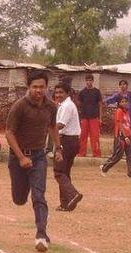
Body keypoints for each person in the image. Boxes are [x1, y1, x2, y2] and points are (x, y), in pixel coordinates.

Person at [5, 70, 58, 253]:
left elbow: (52, 127)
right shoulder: (19, 106)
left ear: (46, 87)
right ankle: (22, 189)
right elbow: (9, 133)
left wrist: (58, 148)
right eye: (34, 87)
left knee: (39, 195)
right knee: (19, 199)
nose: (38, 90)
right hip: (17, 157)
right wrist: (21, 157)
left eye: (41, 87)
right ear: (28, 87)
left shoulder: (51, 106)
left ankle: (41, 234)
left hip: (39, 157)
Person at [52, 82, 83, 212]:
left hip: (67, 141)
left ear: (67, 93)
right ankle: (66, 203)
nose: (58, 95)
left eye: (61, 92)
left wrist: (46, 127)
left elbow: (60, 125)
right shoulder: (65, 105)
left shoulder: (66, 106)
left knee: (59, 172)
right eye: (56, 92)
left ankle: (73, 194)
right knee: (64, 172)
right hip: (72, 140)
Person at [105, 80, 131, 160]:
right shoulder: (118, 95)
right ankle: (115, 154)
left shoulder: (130, 95)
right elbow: (108, 101)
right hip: (121, 120)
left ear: (127, 86)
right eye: (121, 85)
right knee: (118, 137)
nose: (123, 86)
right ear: (119, 86)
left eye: (124, 84)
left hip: (130, 119)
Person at [100, 98, 131, 178]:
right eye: (122, 102)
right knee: (118, 156)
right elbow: (119, 124)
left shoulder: (126, 112)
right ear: (119, 103)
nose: (124, 103)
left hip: (129, 135)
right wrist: (124, 136)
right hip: (122, 136)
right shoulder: (119, 111)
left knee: (130, 155)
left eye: (125, 102)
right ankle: (104, 168)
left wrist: (130, 135)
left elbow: (127, 125)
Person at [77, 74, 103, 158]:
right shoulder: (82, 92)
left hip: (94, 117)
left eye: (90, 80)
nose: (88, 82)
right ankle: (81, 152)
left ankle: (96, 154)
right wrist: (79, 117)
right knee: (83, 136)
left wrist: (100, 118)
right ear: (85, 81)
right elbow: (79, 105)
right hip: (84, 117)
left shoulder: (97, 92)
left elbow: (100, 105)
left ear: (93, 81)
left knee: (95, 136)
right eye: (87, 80)